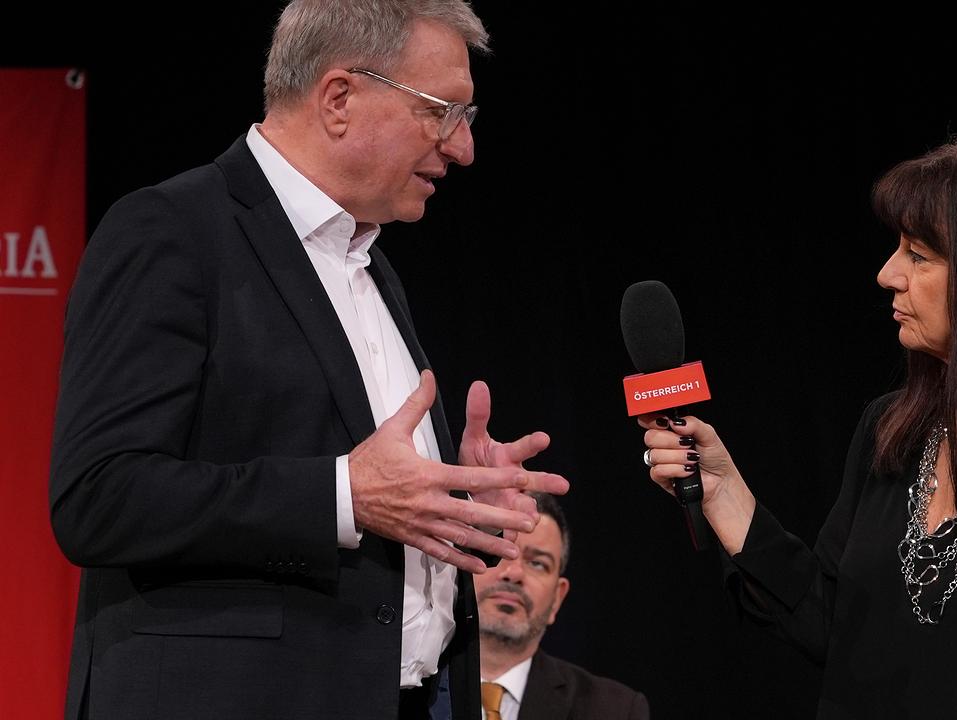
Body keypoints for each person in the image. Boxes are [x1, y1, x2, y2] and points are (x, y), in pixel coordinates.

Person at [47, 2, 568, 719]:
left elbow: (382, 495)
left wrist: (456, 502)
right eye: (442, 112)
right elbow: (98, 498)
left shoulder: (370, 265)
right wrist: (344, 497)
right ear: (339, 98)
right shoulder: (170, 232)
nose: (462, 148)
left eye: (467, 118)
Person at [637, 132, 957, 719]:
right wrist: (722, 491)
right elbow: (835, 629)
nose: (887, 274)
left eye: (918, 255)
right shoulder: (891, 432)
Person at [442, 492, 650, 720]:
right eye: (498, 553)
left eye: (538, 564)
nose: (514, 573)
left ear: (557, 599)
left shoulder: (614, 710)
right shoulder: (409, 687)